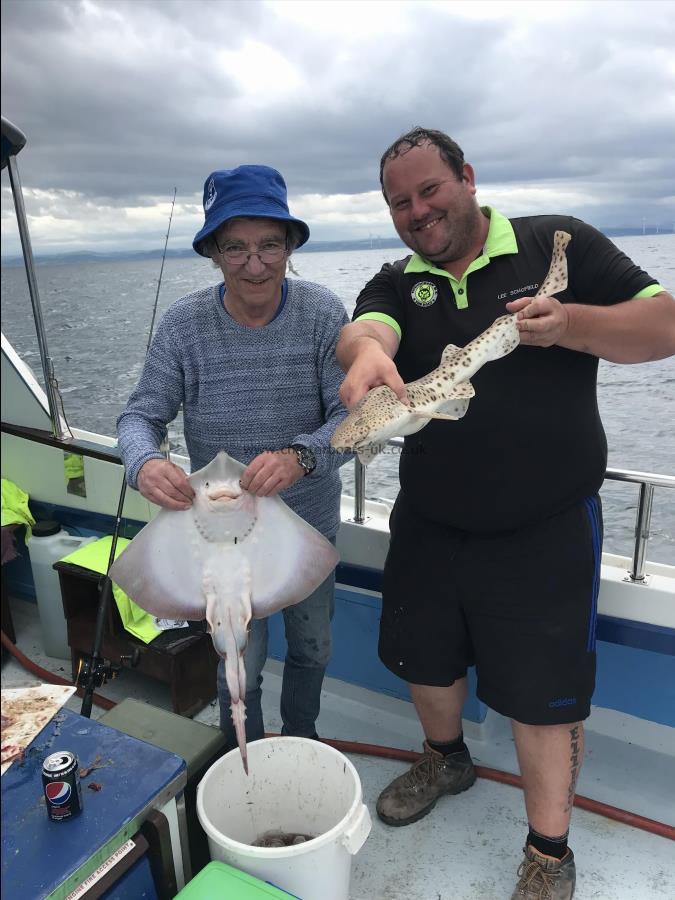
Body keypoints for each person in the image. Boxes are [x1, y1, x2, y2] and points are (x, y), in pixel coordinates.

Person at [336, 127, 675, 900]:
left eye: (430, 190)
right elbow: (366, 330)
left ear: (467, 177)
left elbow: (664, 326)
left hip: (544, 525)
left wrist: (570, 325)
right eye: (399, 202)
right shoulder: (397, 279)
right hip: (428, 521)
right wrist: (362, 356)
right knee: (425, 665)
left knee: (539, 700)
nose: (417, 211)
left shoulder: (558, 244)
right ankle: (445, 758)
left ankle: (548, 853)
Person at [117, 164, 350, 749]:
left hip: (304, 525)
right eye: (236, 248)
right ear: (214, 254)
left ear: (290, 246)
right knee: (235, 656)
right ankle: (235, 748)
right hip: (217, 534)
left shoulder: (323, 314)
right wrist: (143, 461)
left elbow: (355, 419)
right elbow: (139, 415)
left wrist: (303, 455)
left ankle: (302, 739)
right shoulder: (184, 325)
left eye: (270, 245)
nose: (254, 264)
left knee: (313, 647)